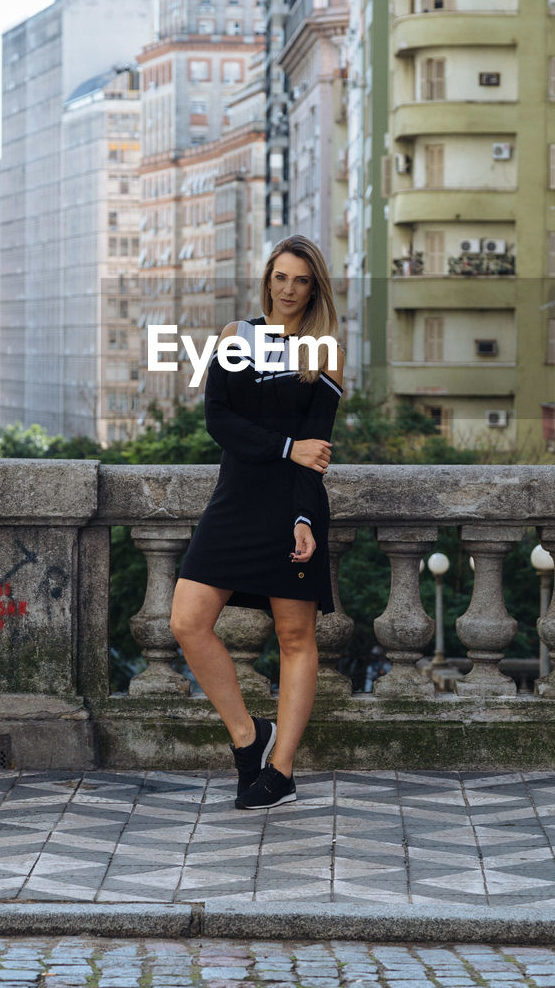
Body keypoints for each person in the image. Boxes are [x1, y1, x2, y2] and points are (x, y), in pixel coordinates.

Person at [170, 235, 344, 811]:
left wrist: (302, 517)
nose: (288, 289)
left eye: (300, 280)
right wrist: (287, 444)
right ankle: (250, 738)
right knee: (186, 621)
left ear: (313, 286)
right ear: (267, 279)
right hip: (236, 498)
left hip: (291, 505)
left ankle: (282, 770)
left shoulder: (323, 352)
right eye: (280, 277)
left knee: (296, 638)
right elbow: (218, 420)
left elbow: (317, 454)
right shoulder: (236, 338)